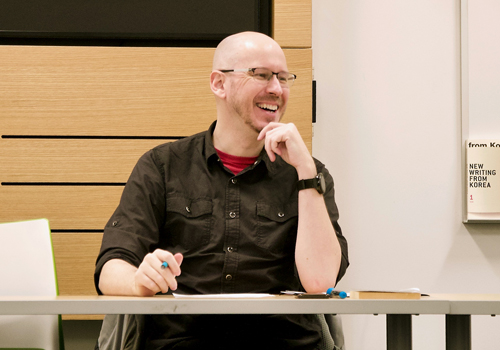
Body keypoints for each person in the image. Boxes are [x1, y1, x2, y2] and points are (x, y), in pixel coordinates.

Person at [94, 31, 349, 350]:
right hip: (184, 342)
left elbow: (321, 282)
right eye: (261, 75)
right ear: (219, 84)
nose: (276, 88)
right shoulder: (162, 167)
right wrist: (138, 281)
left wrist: (306, 173)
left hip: (283, 343)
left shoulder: (308, 174)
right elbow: (111, 267)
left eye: (283, 78)